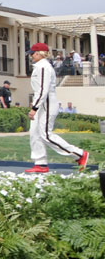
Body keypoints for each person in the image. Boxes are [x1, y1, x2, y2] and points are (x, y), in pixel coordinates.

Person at [25, 43, 89, 173]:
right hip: (43, 102)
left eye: (32, 53)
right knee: (35, 133)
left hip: (47, 103)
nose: (31, 56)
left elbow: (43, 89)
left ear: (38, 54)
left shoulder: (43, 67)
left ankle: (78, 154)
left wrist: (35, 107)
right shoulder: (40, 66)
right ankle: (40, 163)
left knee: (45, 134)